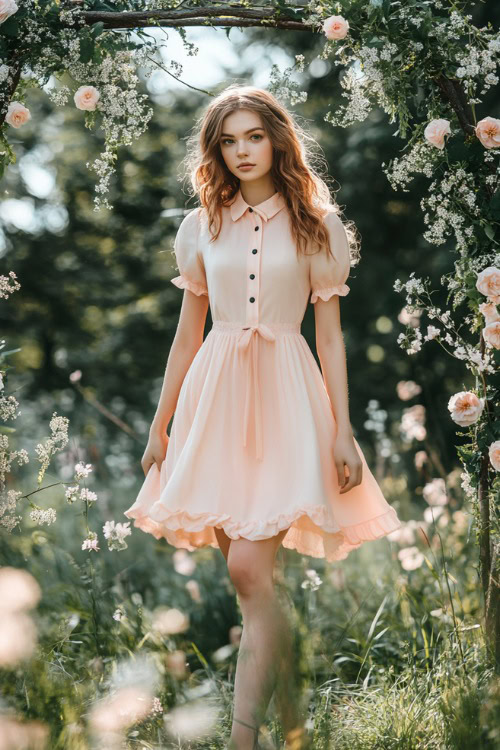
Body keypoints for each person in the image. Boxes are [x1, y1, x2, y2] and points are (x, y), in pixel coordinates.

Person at [124, 84, 402, 750]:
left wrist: (341, 429)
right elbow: (187, 336)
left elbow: (329, 335)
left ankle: (240, 742)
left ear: (278, 139)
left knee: (250, 572)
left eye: (254, 136)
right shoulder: (200, 227)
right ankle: (294, 725)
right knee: (251, 587)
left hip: (286, 398)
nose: (242, 150)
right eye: (229, 140)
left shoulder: (316, 223)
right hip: (213, 404)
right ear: (216, 149)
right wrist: (161, 424)